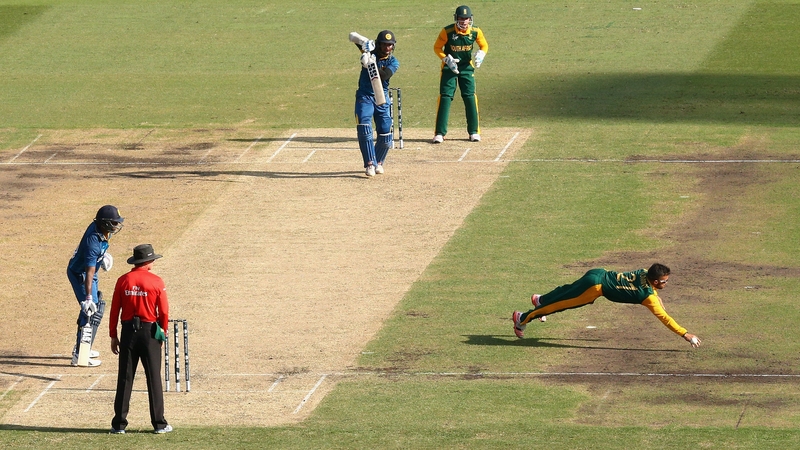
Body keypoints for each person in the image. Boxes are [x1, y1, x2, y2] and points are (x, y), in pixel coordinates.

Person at [512, 263, 702, 348]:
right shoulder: (648, 296)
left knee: (566, 290)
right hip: (594, 288)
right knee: (561, 305)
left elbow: (647, 287)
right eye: (663, 281)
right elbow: (665, 318)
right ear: (654, 281)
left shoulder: (645, 272)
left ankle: (541, 299)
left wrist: (657, 295)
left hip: (598, 273)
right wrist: (685, 334)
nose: (665, 284)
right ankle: (522, 318)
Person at [109, 244, 172, 434]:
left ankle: (119, 425)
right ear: (148, 261)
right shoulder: (157, 282)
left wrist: (113, 335)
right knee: (154, 378)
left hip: (128, 331)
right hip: (149, 331)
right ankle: (159, 424)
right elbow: (164, 312)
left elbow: (114, 310)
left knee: (125, 378)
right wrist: (163, 332)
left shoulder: (123, 280)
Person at [67, 204, 124, 367]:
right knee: (90, 309)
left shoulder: (103, 231)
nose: (116, 226)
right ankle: (80, 354)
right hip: (81, 274)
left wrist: (103, 256)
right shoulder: (93, 241)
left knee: (95, 307)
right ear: (105, 222)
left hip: (90, 270)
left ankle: (84, 347)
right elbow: (89, 272)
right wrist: (87, 297)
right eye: (114, 222)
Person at [432, 5, 489, 144]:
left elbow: (484, 45)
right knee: (445, 97)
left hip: (467, 68)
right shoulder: (447, 31)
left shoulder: (475, 31)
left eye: (466, 19)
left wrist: (481, 54)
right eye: (461, 18)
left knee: (470, 97)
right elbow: (437, 47)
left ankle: (474, 132)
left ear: (470, 19)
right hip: (449, 68)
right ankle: (439, 133)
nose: (464, 22)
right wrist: (446, 59)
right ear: (456, 18)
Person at [354, 30, 399, 177]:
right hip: (365, 96)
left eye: (390, 45)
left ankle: (378, 162)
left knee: (386, 131)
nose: (387, 48)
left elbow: (384, 75)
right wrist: (364, 43)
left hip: (381, 97)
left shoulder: (393, 62)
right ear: (378, 44)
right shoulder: (370, 50)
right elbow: (352, 36)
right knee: (365, 127)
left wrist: (370, 64)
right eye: (385, 45)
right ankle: (369, 164)